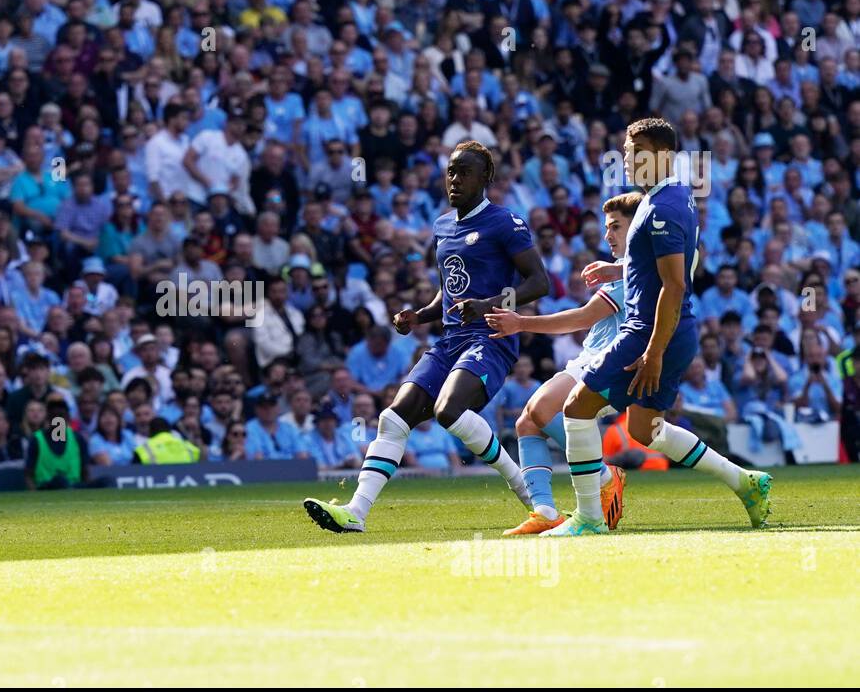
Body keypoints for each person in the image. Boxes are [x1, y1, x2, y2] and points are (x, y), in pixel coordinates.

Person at [304, 141, 549, 533]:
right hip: (450, 341)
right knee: (393, 416)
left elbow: (540, 281)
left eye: (464, 172)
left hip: (491, 337)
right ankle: (355, 513)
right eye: (451, 171)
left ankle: (533, 499)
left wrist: (488, 304)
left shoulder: (504, 222)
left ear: (485, 177)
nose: (454, 179)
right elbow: (448, 291)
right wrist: (419, 315)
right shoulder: (443, 225)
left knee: (448, 411)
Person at [554, 118, 772, 537]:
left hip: (649, 331)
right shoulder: (673, 197)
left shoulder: (661, 208)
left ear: (663, 155)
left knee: (576, 408)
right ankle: (746, 482)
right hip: (671, 329)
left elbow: (673, 284)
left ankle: (588, 519)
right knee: (644, 429)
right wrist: (620, 268)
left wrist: (652, 352)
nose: (628, 161)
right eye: (626, 152)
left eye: (637, 153)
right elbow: (674, 265)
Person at [482, 192, 640, 535]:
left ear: (637, 228)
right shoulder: (623, 272)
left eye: (617, 227)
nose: (608, 235)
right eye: (607, 227)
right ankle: (545, 511)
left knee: (538, 409)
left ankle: (603, 475)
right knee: (527, 422)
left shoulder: (635, 276)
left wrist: (521, 323)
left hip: (607, 364)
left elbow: (582, 318)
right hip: (589, 359)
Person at [25, 396, 89, 488]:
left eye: (61, 417)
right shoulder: (37, 439)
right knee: (60, 481)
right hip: (47, 488)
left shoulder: (78, 438)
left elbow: (85, 470)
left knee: (105, 481)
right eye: (54, 417)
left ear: (67, 418)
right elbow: (28, 474)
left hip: (74, 487)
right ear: (48, 418)